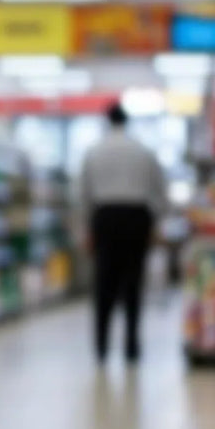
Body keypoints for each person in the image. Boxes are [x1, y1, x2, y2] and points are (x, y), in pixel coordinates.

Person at [81, 102, 167, 363]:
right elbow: (159, 190)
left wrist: (87, 227)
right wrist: (155, 223)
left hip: (104, 217)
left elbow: (84, 192)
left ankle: (101, 347)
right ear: (127, 122)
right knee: (133, 284)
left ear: (108, 121)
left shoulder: (94, 151)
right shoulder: (144, 152)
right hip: (136, 218)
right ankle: (131, 346)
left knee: (103, 284)